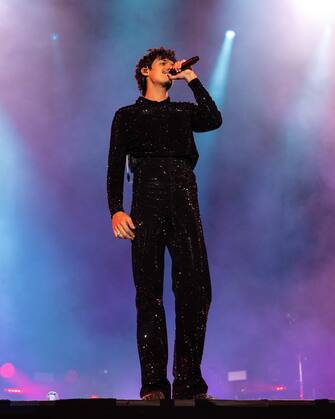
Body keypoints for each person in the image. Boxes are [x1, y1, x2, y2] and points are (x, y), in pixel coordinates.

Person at [107, 47, 222, 400]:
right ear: (144, 71)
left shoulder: (184, 111)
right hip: (147, 195)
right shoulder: (127, 116)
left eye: (171, 65)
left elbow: (213, 118)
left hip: (184, 192)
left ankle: (188, 381)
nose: (169, 68)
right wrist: (116, 209)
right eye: (163, 64)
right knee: (149, 293)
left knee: (195, 289)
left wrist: (191, 77)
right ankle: (154, 383)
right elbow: (114, 166)